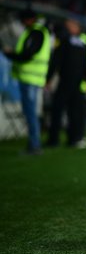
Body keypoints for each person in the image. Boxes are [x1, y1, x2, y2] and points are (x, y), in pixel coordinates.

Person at [2, 8, 51, 155]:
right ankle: (34, 144)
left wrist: (12, 56)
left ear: (29, 19)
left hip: (30, 78)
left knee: (30, 112)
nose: (22, 23)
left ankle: (35, 146)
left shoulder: (36, 32)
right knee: (30, 112)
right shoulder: (37, 32)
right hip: (32, 78)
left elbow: (29, 54)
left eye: (23, 20)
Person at [45, 17, 86, 149]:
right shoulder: (82, 43)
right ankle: (74, 139)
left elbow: (56, 61)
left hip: (66, 81)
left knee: (57, 110)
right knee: (74, 113)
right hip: (78, 82)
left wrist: (48, 79)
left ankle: (54, 139)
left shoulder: (63, 40)